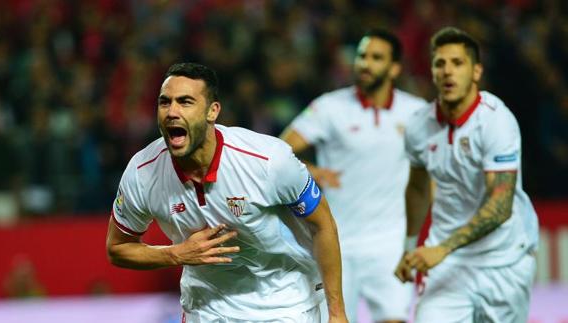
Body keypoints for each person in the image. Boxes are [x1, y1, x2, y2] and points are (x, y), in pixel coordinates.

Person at [106, 62, 348, 323]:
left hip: (285, 303)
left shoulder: (268, 161)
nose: (171, 112)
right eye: (165, 102)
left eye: (185, 102)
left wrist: (337, 313)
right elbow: (118, 248)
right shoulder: (142, 173)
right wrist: (175, 254)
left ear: (212, 111)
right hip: (207, 308)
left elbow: (323, 226)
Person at [281, 29, 427, 323]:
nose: (365, 64)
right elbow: (279, 153)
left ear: (394, 67)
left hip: (390, 243)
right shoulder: (329, 107)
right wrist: (311, 171)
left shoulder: (416, 113)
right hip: (335, 240)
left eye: (376, 57)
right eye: (362, 56)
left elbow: (429, 174)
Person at [394, 27, 539, 323]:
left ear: (476, 72)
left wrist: (441, 249)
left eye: (457, 63)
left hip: (504, 260)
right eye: (440, 63)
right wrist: (410, 248)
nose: (448, 71)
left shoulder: (496, 121)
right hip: (448, 265)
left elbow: (500, 205)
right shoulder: (419, 126)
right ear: (432, 72)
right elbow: (418, 189)